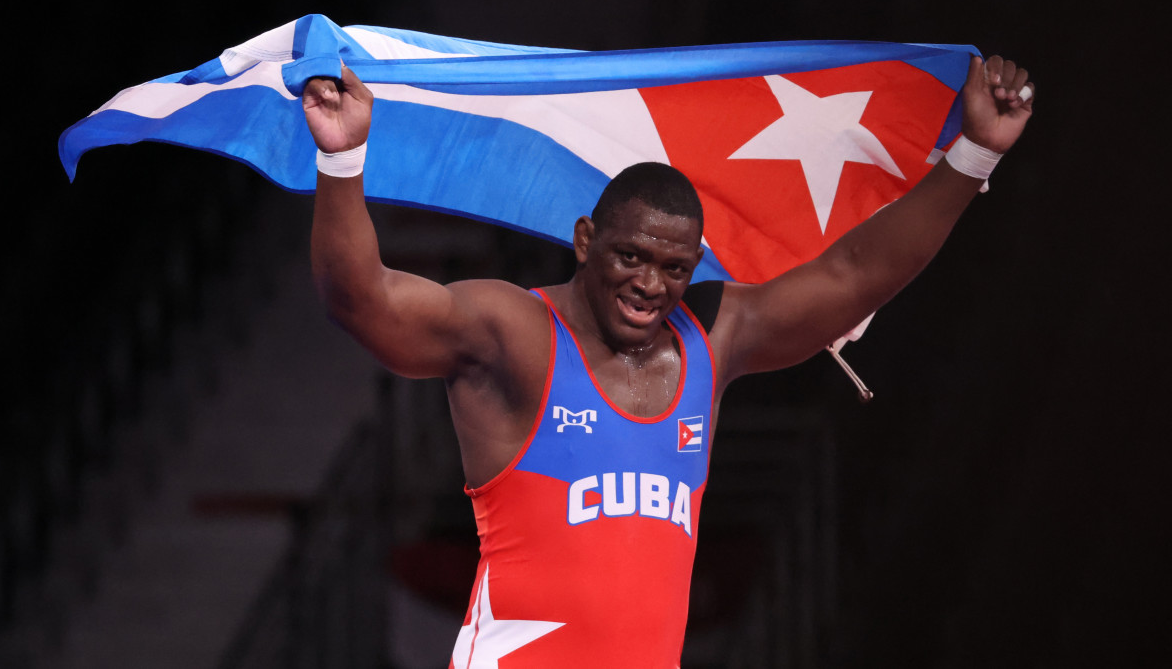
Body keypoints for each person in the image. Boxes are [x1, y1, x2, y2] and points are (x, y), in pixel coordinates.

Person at [303, 55, 1033, 667]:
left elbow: (853, 273)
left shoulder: (713, 339)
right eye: (631, 256)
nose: (650, 286)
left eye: (674, 268)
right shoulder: (516, 332)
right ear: (586, 239)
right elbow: (363, 301)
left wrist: (974, 154)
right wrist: (342, 157)